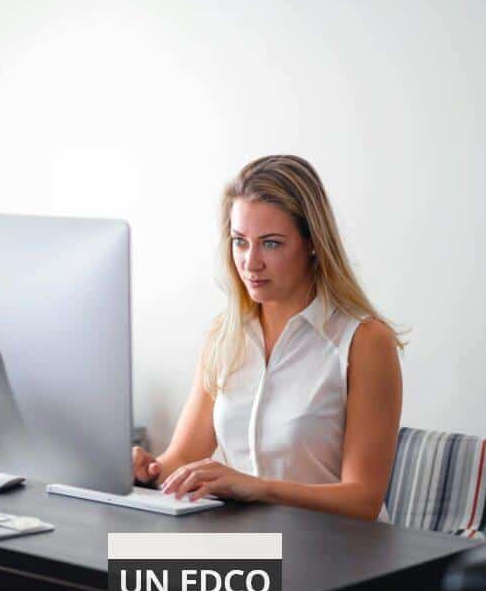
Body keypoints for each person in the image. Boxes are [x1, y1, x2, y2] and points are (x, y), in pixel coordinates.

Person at [133, 155, 404, 521]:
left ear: (312, 243)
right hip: (252, 550)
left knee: (148, 571)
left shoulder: (365, 340)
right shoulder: (225, 335)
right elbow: (180, 458)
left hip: (340, 552)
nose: (251, 262)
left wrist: (256, 487)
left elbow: (363, 500)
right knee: (123, 567)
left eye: (271, 244)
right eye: (240, 242)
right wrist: (144, 470)